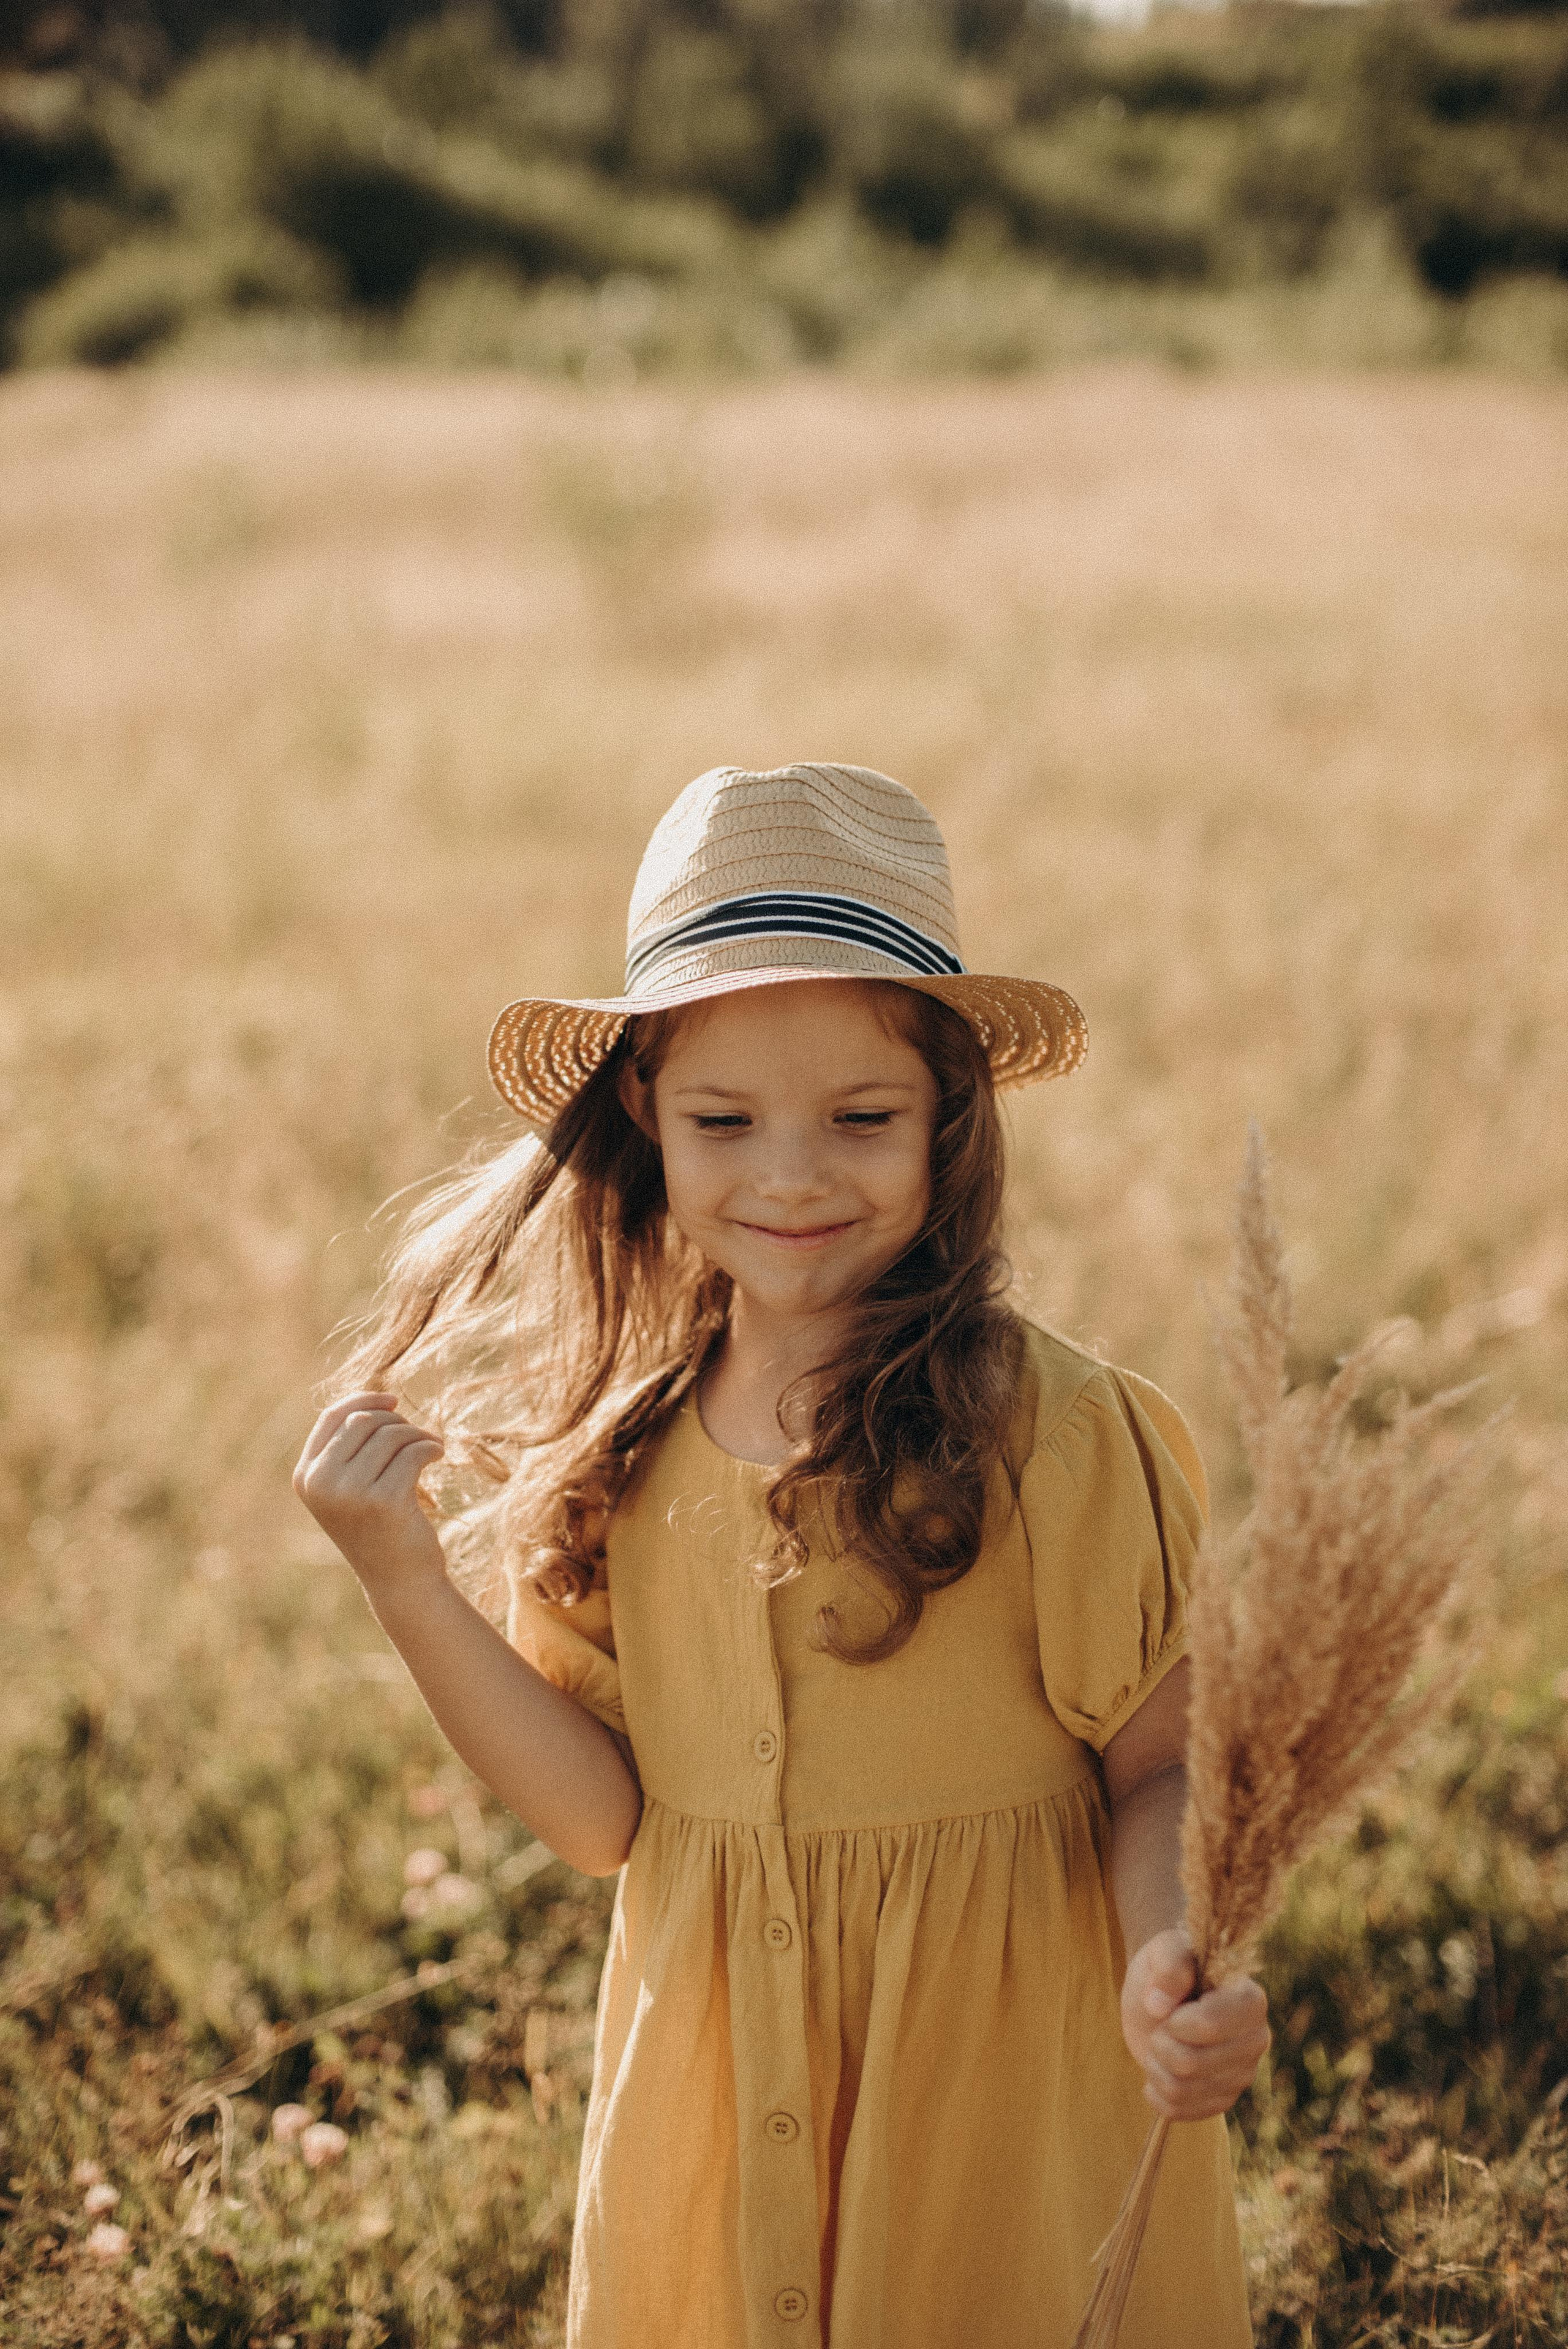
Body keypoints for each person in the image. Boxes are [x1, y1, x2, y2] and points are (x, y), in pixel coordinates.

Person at [294, 763, 1266, 2349]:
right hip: (721, 2111)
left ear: (952, 1122)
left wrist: (1173, 1948)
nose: (792, 1174)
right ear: (646, 1120)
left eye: (862, 1117)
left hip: (1004, 2132)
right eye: (724, 1121)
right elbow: (605, 1817)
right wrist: (405, 1578)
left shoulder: (1054, 1433)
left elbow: (1160, 1762)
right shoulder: (627, 1446)